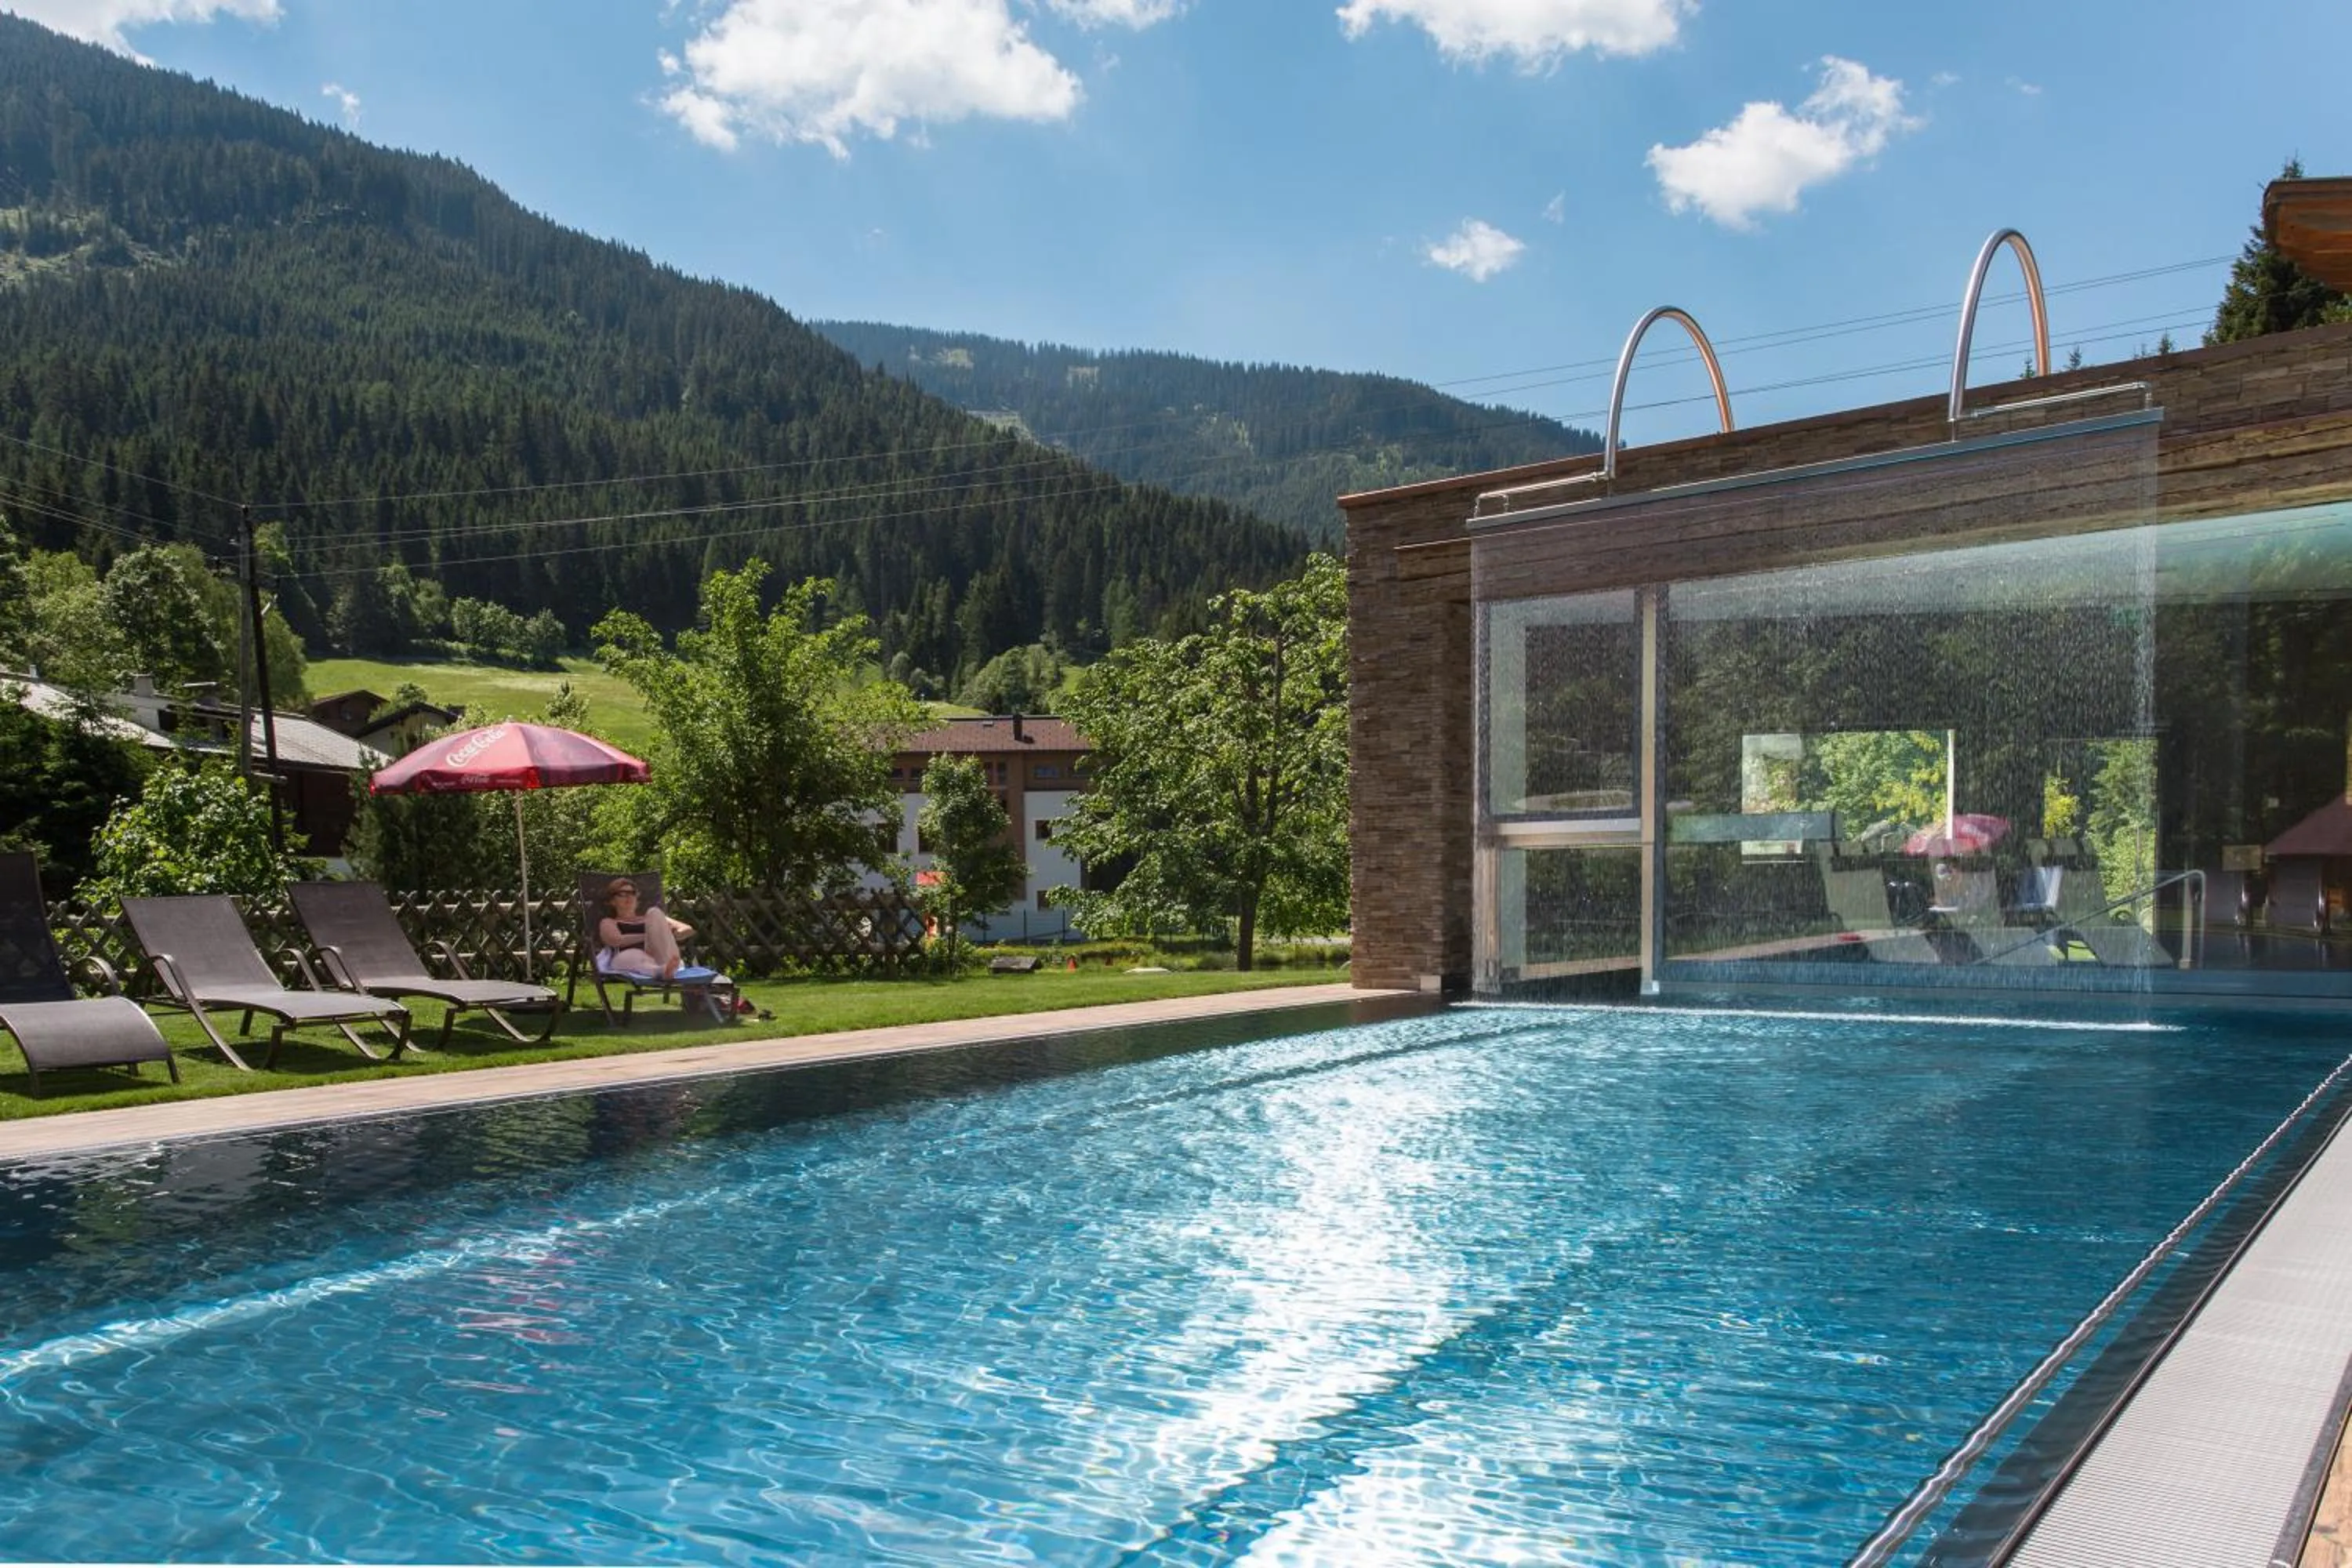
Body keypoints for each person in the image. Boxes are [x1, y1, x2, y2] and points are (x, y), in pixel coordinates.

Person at [597, 877, 692, 982]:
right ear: (612, 901)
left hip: (660, 955)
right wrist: (650, 936)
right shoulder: (609, 922)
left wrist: (673, 934)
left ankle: (667, 968)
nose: (629, 897)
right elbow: (615, 940)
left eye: (632, 893)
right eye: (623, 894)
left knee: (654, 912)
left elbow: (687, 929)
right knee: (630, 956)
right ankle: (662, 971)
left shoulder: (651, 919)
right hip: (633, 958)